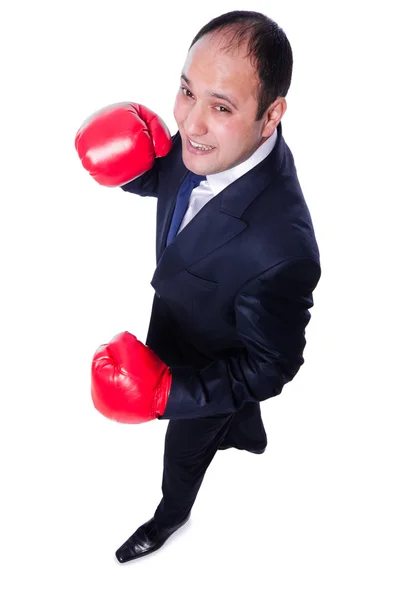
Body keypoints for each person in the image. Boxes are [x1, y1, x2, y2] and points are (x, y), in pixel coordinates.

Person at [75, 10, 321, 563]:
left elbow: (269, 367)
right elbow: (175, 182)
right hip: (179, 318)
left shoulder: (281, 251)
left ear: (271, 115)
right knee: (232, 422)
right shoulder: (212, 143)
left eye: (222, 106)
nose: (190, 123)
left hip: (210, 368)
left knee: (183, 454)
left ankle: (170, 517)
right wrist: (132, 167)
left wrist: (169, 396)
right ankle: (245, 431)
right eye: (187, 91)